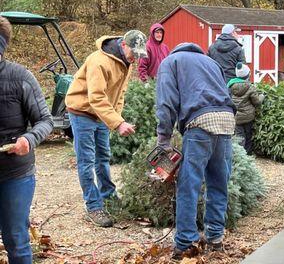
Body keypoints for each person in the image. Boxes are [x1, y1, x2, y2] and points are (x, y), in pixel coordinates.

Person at [156, 43, 236, 260]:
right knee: (218, 182)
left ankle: (185, 242)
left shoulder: (170, 62)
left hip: (200, 122)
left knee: (189, 185)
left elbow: (166, 102)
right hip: (226, 119)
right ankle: (215, 238)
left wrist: (163, 138)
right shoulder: (211, 62)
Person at [65, 30, 148, 227]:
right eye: (133, 54)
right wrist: (118, 123)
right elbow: (96, 97)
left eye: (138, 55)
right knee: (86, 160)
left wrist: (116, 118)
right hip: (82, 112)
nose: (135, 59)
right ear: (124, 45)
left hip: (101, 115)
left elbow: (119, 94)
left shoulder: (125, 62)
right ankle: (93, 205)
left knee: (103, 157)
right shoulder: (99, 61)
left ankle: (108, 196)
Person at [0, 16, 53, 264]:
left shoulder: (20, 77)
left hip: (15, 174)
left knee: (15, 238)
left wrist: (28, 140)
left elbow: (45, 120)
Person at [228, 62, 264, 154]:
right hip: (248, 117)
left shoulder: (230, 86)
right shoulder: (250, 87)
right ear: (248, 75)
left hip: (236, 116)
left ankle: (240, 156)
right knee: (248, 135)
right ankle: (247, 155)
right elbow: (257, 102)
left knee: (239, 136)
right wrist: (262, 96)